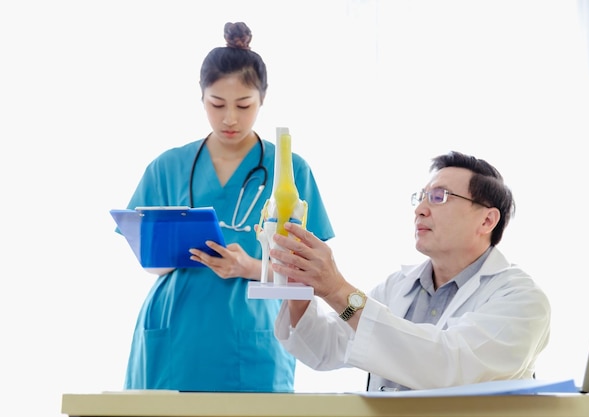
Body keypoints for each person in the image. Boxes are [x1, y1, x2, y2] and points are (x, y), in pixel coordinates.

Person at [120, 22, 334, 392]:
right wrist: (178, 249)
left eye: (244, 105)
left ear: (262, 100)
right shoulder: (167, 166)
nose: (229, 118)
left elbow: (308, 272)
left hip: (253, 332)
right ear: (201, 98)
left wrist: (247, 266)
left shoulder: (290, 169)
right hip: (175, 331)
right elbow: (149, 260)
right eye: (216, 104)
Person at [270, 151, 550, 391]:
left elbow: (447, 365)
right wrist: (300, 290)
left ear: (487, 220)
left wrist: (337, 289)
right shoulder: (398, 286)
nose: (420, 210)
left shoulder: (521, 300)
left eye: (439, 197)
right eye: (422, 197)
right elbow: (328, 345)